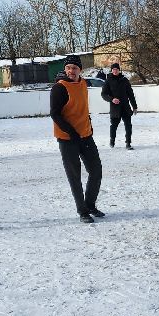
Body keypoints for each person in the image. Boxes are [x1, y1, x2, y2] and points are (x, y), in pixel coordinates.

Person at [50, 55, 104, 223]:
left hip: (86, 135)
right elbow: (55, 114)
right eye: (68, 68)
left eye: (74, 68)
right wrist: (71, 132)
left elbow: (82, 108)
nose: (71, 71)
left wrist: (89, 124)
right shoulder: (59, 88)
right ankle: (82, 211)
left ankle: (90, 205)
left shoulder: (83, 84)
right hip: (67, 138)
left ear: (80, 70)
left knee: (96, 171)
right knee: (75, 176)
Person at [101, 61, 138, 149]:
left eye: (116, 69)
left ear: (119, 70)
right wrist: (112, 99)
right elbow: (104, 94)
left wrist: (134, 106)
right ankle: (112, 140)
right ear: (111, 70)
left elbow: (131, 94)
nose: (115, 71)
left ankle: (128, 143)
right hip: (115, 108)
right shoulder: (108, 80)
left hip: (125, 107)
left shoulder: (124, 80)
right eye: (113, 69)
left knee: (128, 126)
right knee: (113, 126)